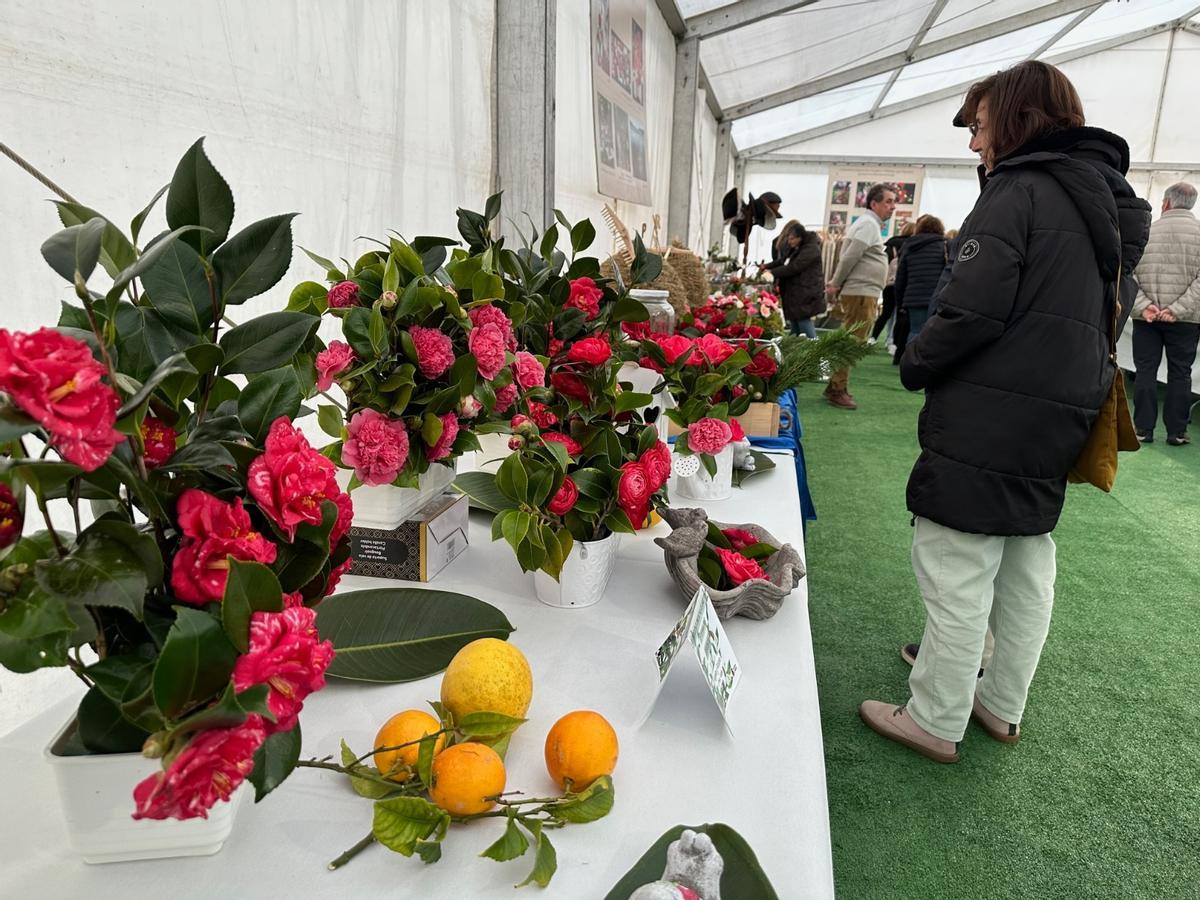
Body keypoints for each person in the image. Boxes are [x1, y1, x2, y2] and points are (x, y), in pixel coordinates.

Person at [859, 60, 1151, 763]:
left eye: (980, 126)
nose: (972, 144)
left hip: (994, 405)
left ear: (1018, 119)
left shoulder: (1019, 189)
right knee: (1025, 561)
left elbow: (971, 305)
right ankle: (999, 705)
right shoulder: (1108, 200)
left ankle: (934, 718)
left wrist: (916, 360)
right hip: (1064, 406)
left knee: (955, 561)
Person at [1130, 182, 1200, 445]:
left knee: (1145, 370)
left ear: (1167, 203)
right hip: (1184, 319)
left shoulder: (1146, 231)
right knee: (1180, 373)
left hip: (1146, 317)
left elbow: (1129, 272)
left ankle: (1143, 429)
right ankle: (1177, 432)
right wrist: (1177, 309)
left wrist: (1144, 305)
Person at [824, 183, 897, 408]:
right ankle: (837, 389)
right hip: (861, 293)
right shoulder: (868, 224)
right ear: (873, 203)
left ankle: (835, 386)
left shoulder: (868, 224)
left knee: (851, 340)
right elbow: (850, 256)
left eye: (894, 202)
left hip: (862, 292)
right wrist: (835, 284)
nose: (892, 207)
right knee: (853, 343)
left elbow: (849, 255)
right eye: (888, 202)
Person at [763, 222, 824, 338]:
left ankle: (815, 347)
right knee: (796, 323)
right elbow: (783, 261)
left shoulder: (810, 249)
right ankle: (791, 348)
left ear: (799, 237)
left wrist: (772, 273)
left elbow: (794, 267)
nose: (789, 242)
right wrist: (767, 266)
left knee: (803, 321)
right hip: (797, 292)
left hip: (805, 293)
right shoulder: (798, 248)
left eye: (791, 239)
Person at [893, 214, 948, 343]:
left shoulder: (909, 246)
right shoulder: (944, 246)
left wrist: (900, 302)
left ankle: (910, 361)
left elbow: (900, 278)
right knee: (934, 334)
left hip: (914, 298)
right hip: (936, 297)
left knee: (915, 331)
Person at [870, 222, 917, 347]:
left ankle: (873, 337)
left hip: (889, 283)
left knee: (886, 312)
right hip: (905, 283)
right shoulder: (913, 245)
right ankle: (891, 341)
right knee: (899, 314)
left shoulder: (891, 244)